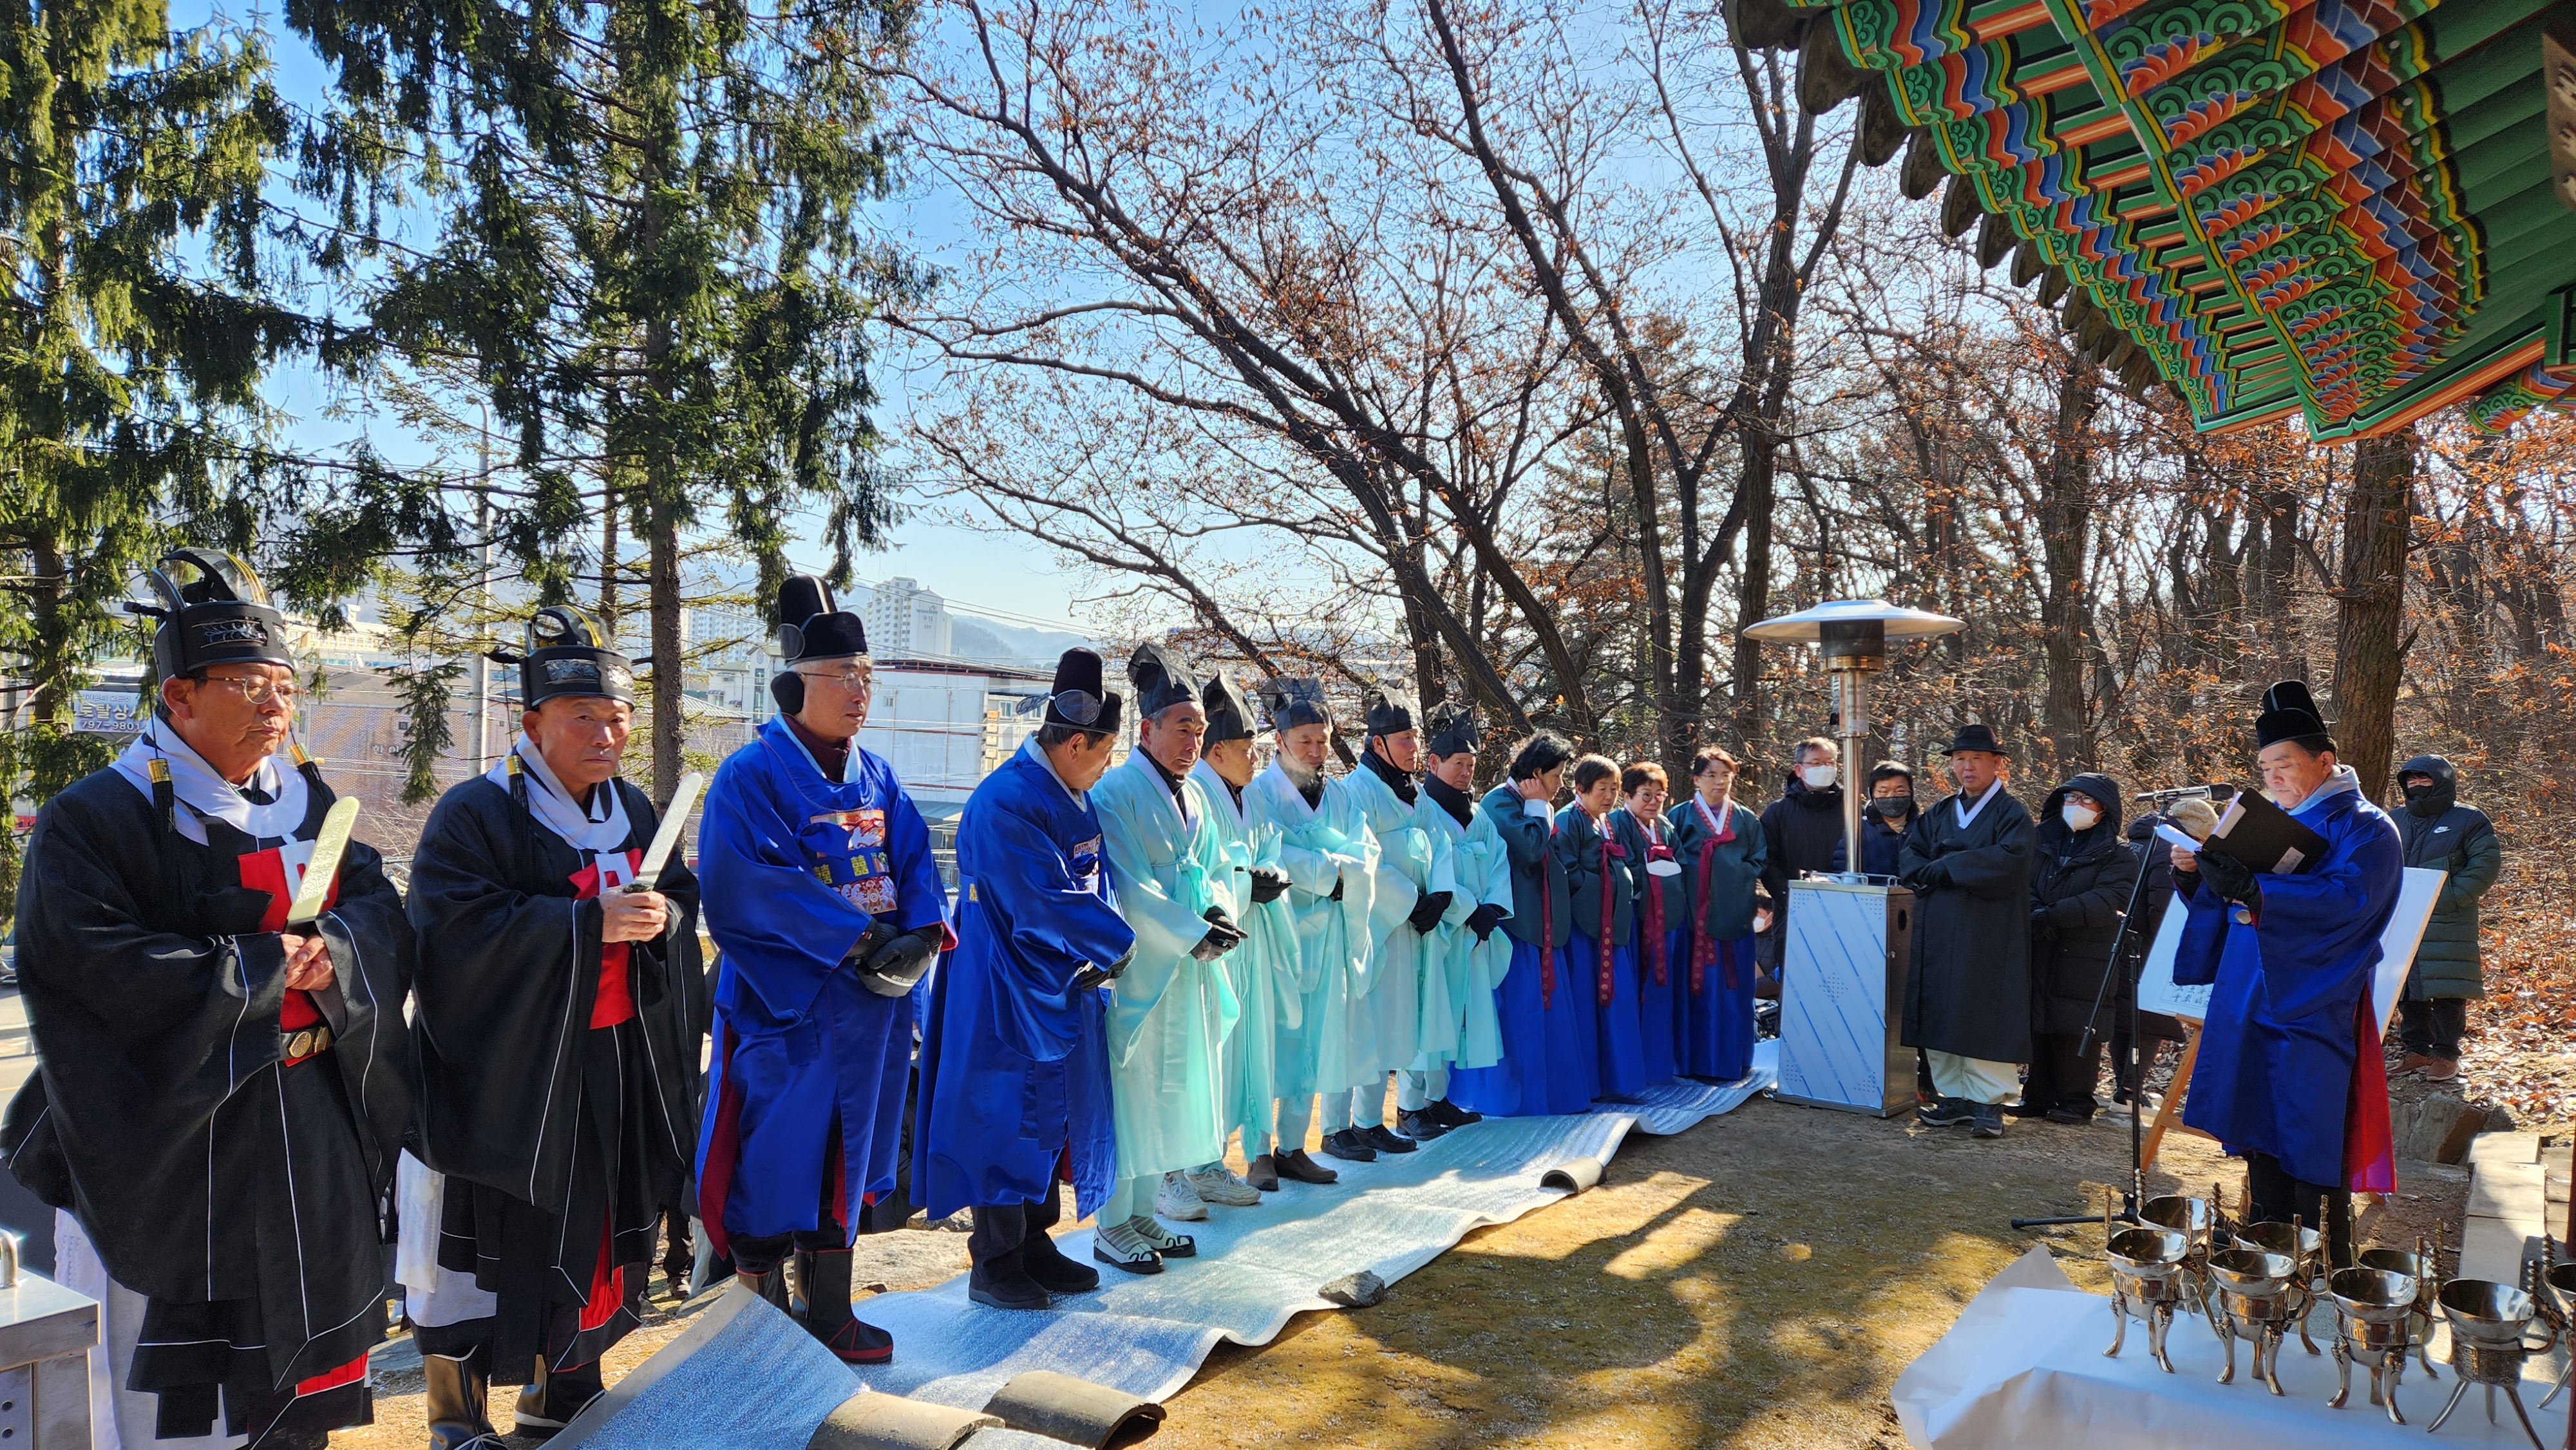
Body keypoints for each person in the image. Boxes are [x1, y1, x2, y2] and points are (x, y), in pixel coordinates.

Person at [4, 551, 413, 1449]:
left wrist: (338, 952)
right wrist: (265, 967)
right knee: (187, 1404)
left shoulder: (307, 800)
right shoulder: (96, 816)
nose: (276, 707)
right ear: (178, 697)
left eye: (285, 687)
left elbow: (378, 908)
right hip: (174, 1145)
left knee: (301, 1379)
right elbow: (86, 964)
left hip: (308, 1120)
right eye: (249, 685)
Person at [401, 608, 706, 1442]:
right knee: (476, 1243)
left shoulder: (633, 809)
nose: (606, 735)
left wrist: (660, 922)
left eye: (617, 717)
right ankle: (456, 1419)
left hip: (609, 1062)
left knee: (594, 1233)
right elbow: (447, 932)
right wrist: (581, 924)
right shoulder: (476, 813)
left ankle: (564, 1391)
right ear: (532, 724)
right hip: (505, 1078)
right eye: (583, 717)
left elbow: (678, 897)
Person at [694, 577, 951, 1361]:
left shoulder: (879, 777)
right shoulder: (750, 774)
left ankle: (831, 1310)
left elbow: (914, 862)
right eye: (844, 676)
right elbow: (746, 883)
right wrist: (858, 938)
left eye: (866, 675)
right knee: (777, 1155)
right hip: (791, 1008)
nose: (860, 691)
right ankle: (760, 1323)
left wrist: (919, 936)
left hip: (872, 1007)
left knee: (852, 1155)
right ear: (796, 683)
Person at [916, 649, 1147, 1303]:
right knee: (1003, 1114)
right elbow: (1039, 897)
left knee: (1053, 1113)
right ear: (1075, 743)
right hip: (1002, 981)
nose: (1106, 765)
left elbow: (1096, 882)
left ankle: (1034, 1240)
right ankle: (994, 1260)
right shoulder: (1006, 799)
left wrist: (1103, 941)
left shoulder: (1070, 792)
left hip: (1059, 974)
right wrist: (1114, 941)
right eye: (1105, 752)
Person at [2170, 681, 2401, 1267]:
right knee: (2254, 1110)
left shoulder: (2367, 827)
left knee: (2308, 1120)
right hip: (2247, 987)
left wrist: (2257, 890)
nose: (2273, 777)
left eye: (2286, 764)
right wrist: (2198, 875)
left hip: (2315, 996)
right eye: (2266, 767)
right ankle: (2265, 1236)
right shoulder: (2267, 821)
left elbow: (2351, 901)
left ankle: (2324, 1252)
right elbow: (2231, 901)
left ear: (2324, 760)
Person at [1089, 645, 1253, 1255]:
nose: (1193, 741)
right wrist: (1191, 930)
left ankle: (1144, 1212)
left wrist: (1218, 913)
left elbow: (1217, 869)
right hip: (1143, 971)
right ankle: (1111, 1225)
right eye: (1183, 728)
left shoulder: (1195, 796)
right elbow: (1130, 888)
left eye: (1200, 730)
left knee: (1170, 1094)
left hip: (1186, 969)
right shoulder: (1116, 793)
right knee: (1132, 1096)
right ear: (1147, 730)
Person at [1242, 679, 1379, 1183]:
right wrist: (1330, 870)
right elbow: (1268, 851)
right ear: (1279, 740)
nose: (1317, 750)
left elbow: (1367, 852)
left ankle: (1293, 1146)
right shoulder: (1259, 794)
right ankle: (1257, 1151)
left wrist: (1344, 872)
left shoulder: (1339, 795)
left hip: (1329, 934)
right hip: (1279, 933)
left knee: (1312, 1039)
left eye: (1323, 740)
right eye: (1305, 741)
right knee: (1271, 1040)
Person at [1899, 724, 2036, 1141]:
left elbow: (2012, 860)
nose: (1967, 766)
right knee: (1941, 1003)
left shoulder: (2011, 813)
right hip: (1939, 924)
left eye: (1977, 758)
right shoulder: (1940, 812)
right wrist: (1935, 868)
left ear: (1996, 764)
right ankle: (1955, 1095)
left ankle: (1988, 1102)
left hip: (1987, 928)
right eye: (1960, 759)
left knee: (1981, 1007)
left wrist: (1950, 864)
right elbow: (1911, 854)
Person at [1330, 686, 1446, 1160]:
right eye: (1404, 739)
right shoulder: (1355, 790)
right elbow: (1362, 857)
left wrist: (1440, 893)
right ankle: (1335, 1127)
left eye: (1415, 737)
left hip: (1407, 928)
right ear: (1377, 743)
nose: (1414, 747)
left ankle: (1370, 1121)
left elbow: (1439, 842)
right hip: (1373, 924)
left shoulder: (1414, 791)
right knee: (1357, 1023)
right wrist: (1411, 899)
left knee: (1391, 1024)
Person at [1191, 673, 1295, 1190]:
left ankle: (1259, 1150)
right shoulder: (1195, 794)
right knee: (1217, 1050)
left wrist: (1271, 874)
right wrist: (1246, 882)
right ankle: (1204, 1160)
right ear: (1216, 752)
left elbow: (1271, 849)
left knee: (1257, 1045)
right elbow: (1200, 869)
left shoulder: (1252, 797)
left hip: (1255, 938)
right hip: (1217, 940)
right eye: (1247, 749)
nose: (1256, 759)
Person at [1450, 734, 1587, 1118]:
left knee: (1541, 1017)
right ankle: (1511, 1099)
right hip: (1515, 932)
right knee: (1517, 1017)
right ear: (1537, 773)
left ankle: (1547, 1097)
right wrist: (1538, 808)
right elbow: (1530, 849)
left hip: (1541, 927)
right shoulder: (1499, 802)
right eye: (1557, 775)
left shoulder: (1528, 802)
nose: (1560, 784)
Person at [1397, 703, 1505, 1140]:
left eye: (1471, 765)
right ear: (1433, 763)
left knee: (1456, 1014)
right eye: (1458, 763)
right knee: (1426, 1014)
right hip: (1436, 930)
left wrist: (1492, 908)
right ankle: (1409, 1106)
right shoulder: (1420, 808)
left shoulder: (1479, 815)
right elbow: (1428, 868)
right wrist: (1467, 908)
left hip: (1471, 935)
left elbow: (1498, 865)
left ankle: (1437, 1099)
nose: (1466, 772)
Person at [2018, 773, 2129, 1126]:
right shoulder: (2039, 841)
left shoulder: (2119, 854)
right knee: (2038, 1021)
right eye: (2071, 798)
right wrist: (2036, 912)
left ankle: (2076, 1100)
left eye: (2086, 800)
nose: (2076, 805)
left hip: (2086, 952)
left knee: (2078, 1025)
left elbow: (2108, 899)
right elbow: (2021, 881)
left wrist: (2053, 914)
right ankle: (2036, 1095)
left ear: (2104, 809)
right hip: (2040, 944)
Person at [2392, 753, 2500, 1083]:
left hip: (2448, 918)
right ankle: (2416, 1050)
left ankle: (2446, 1054)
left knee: (2447, 987)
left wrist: (2449, 896)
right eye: (2411, 780)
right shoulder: (2394, 819)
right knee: (2407, 986)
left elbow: (2485, 865)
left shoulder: (2469, 819)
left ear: (2442, 782)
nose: (2417, 785)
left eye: (2424, 779)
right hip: (2402, 915)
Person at [1666, 745, 1767, 1082]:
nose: (1719, 782)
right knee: (1693, 990)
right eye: (1711, 775)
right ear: (1696, 779)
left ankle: (1730, 1061)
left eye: (1726, 775)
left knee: (1732, 991)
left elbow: (1758, 858)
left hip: (1734, 914)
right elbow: (1669, 858)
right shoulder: (1679, 816)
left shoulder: (1745, 818)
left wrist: (1732, 872)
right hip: (1691, 920)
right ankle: (1691, 1062)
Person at [1558, 755, 1639, 1101]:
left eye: (1614, 789)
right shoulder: (1568, 819)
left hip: (1610, 923)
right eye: (1602, 789)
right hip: (1585, 928)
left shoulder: (1607, 821)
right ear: (1581, 789)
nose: (1609, 796)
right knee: (1586, 1002)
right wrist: (1600, 888)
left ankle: (1616, 1081)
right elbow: (1568, 869)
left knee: (1615, 1002)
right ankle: (1589, 1082)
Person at [1607, 762, 1685, 1086]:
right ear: (1627, 796)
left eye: (1659, 795)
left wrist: (1668, 874)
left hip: (1664, 918)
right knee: (1634, 991)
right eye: (1645, 795)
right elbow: (1622, 866)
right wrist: (1651, 874)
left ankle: (1658, 1068)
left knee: (1660, 992)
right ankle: (1634, 1070)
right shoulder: (1617, 823)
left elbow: (1680, 861)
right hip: (1635, 920)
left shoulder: (1664, 826)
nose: (1653, 802)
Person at [2111, 810, 2187, 1111]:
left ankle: (2123, 1090)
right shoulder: (2169, 850)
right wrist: (2173, 947)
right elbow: (2162, 906)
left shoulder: (2131, 845)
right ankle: (2130, 1091)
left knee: (2122, 1017)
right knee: (2151, 1022)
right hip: (2150, 949)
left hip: (2119, 942)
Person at [1756, 737, 1844, 983]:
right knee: (1796, 983)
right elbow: (1767, 860)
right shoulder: (1778, 812)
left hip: (1843, 912)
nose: (1824, 768)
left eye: (1830, 762)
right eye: (1816, 763)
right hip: (1792, 913)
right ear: (1799, 769)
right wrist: (1790, 896)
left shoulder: (1851, 808)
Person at [1829, 761, 1917, 877]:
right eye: (1884, 791)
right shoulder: (1859, 829)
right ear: (1872, 794)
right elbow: (1842, 870)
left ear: (1911, 792)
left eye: (1900, 791)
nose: (1892, 796)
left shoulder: (1925, 827)